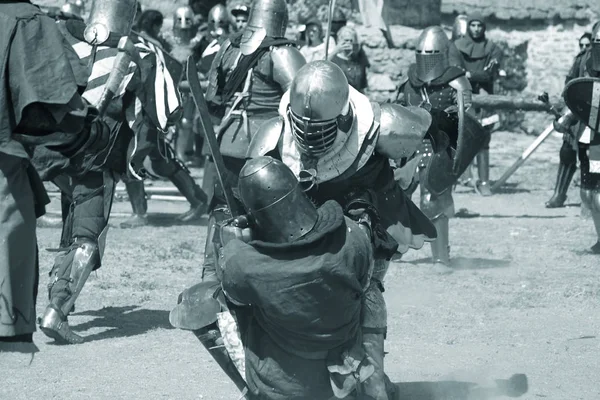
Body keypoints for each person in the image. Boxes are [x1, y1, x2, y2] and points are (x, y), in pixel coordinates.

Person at [247, 60, 438, 399]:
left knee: (365, 288)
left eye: (319, 128)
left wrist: (417, 156)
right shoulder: (274, 134)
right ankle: (313, 377)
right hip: (309, 221)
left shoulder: (383, 126)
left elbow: (429, 129)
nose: (310, 137)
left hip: (370, 217)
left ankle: (374, 379)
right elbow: (251, 192)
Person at [34, 0, 198, 343]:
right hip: (96, 153)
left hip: (54, 149)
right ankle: (58, 308)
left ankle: (56, 286)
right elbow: (161, 109)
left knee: (74, 213)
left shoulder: (63, 33)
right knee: (88, 234)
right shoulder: (139, 52)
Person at [172, 156, 383, 399]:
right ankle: (373, 386)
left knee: (199, 299)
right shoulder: (351, 233)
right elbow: (363, 281)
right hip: (345, 361)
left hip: (286, 384)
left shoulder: (244, 264)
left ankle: (256, 394)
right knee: (365, 293)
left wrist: (230, 248)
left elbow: (233, 295)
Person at [0, 0, 116, 348]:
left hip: (35, 159)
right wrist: (89, 134)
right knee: (93, 193)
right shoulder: (26, 21)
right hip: (14, 162)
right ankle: (59, 305)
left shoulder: (57, 26)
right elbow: (48, 109)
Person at [200, 0, 306, 282]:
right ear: (280, 18)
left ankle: (212, 272)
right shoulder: (282, 52)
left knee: (223, 210)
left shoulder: (229, 47)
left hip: (227, 141)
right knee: (267, 212)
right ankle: (261, 274)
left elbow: (212, 101)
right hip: (266, 146)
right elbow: (304, 102)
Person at [396, 26, 484, 273]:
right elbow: (403, 113)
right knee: (396, 196)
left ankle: (440, 257)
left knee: (432, 199)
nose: (427, 60)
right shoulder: (410, 82)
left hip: (439, 148)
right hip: (411, 148)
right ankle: (396, 246)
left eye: (432, 54)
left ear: (444, 54)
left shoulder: (457, 81)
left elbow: (467, 122)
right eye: (423, 54)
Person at [554, 22, 600, 253]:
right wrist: (567, 117)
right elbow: (583, 95)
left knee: (598, 194)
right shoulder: (584, 60)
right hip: (589, 136)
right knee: (589, 192)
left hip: (598, 141)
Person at [455, 13, 503, 196]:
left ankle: (484, 181)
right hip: (463, 94)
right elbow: (455, 71)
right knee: (463, 136)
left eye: (479, 26)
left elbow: (490, 74)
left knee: (483, 138)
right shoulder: (457, 47)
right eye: (473, 25)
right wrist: (470, 75)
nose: (476, 29)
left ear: (484, 28)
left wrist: (470, 74)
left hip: (484, 96)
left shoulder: (492, 48)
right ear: (469, 27)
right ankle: (464, 176)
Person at [545, 32, 593, 208]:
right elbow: (570, 86)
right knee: (566, 152)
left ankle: (590, 202)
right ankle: (559, 195)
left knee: (591, 158)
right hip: (578, 114)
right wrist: (566, 112)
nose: (585, 48)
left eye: (587, 44)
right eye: (582, 45)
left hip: (596, 116)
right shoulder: (580, 59)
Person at [330, 26, 370, 93]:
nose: (348, 43)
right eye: (346, 40)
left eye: (351, 41)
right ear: (339, 41)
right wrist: (335, 50)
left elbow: (362, 86)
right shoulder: (333, 60)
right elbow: (321, 65)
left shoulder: (358, 60)